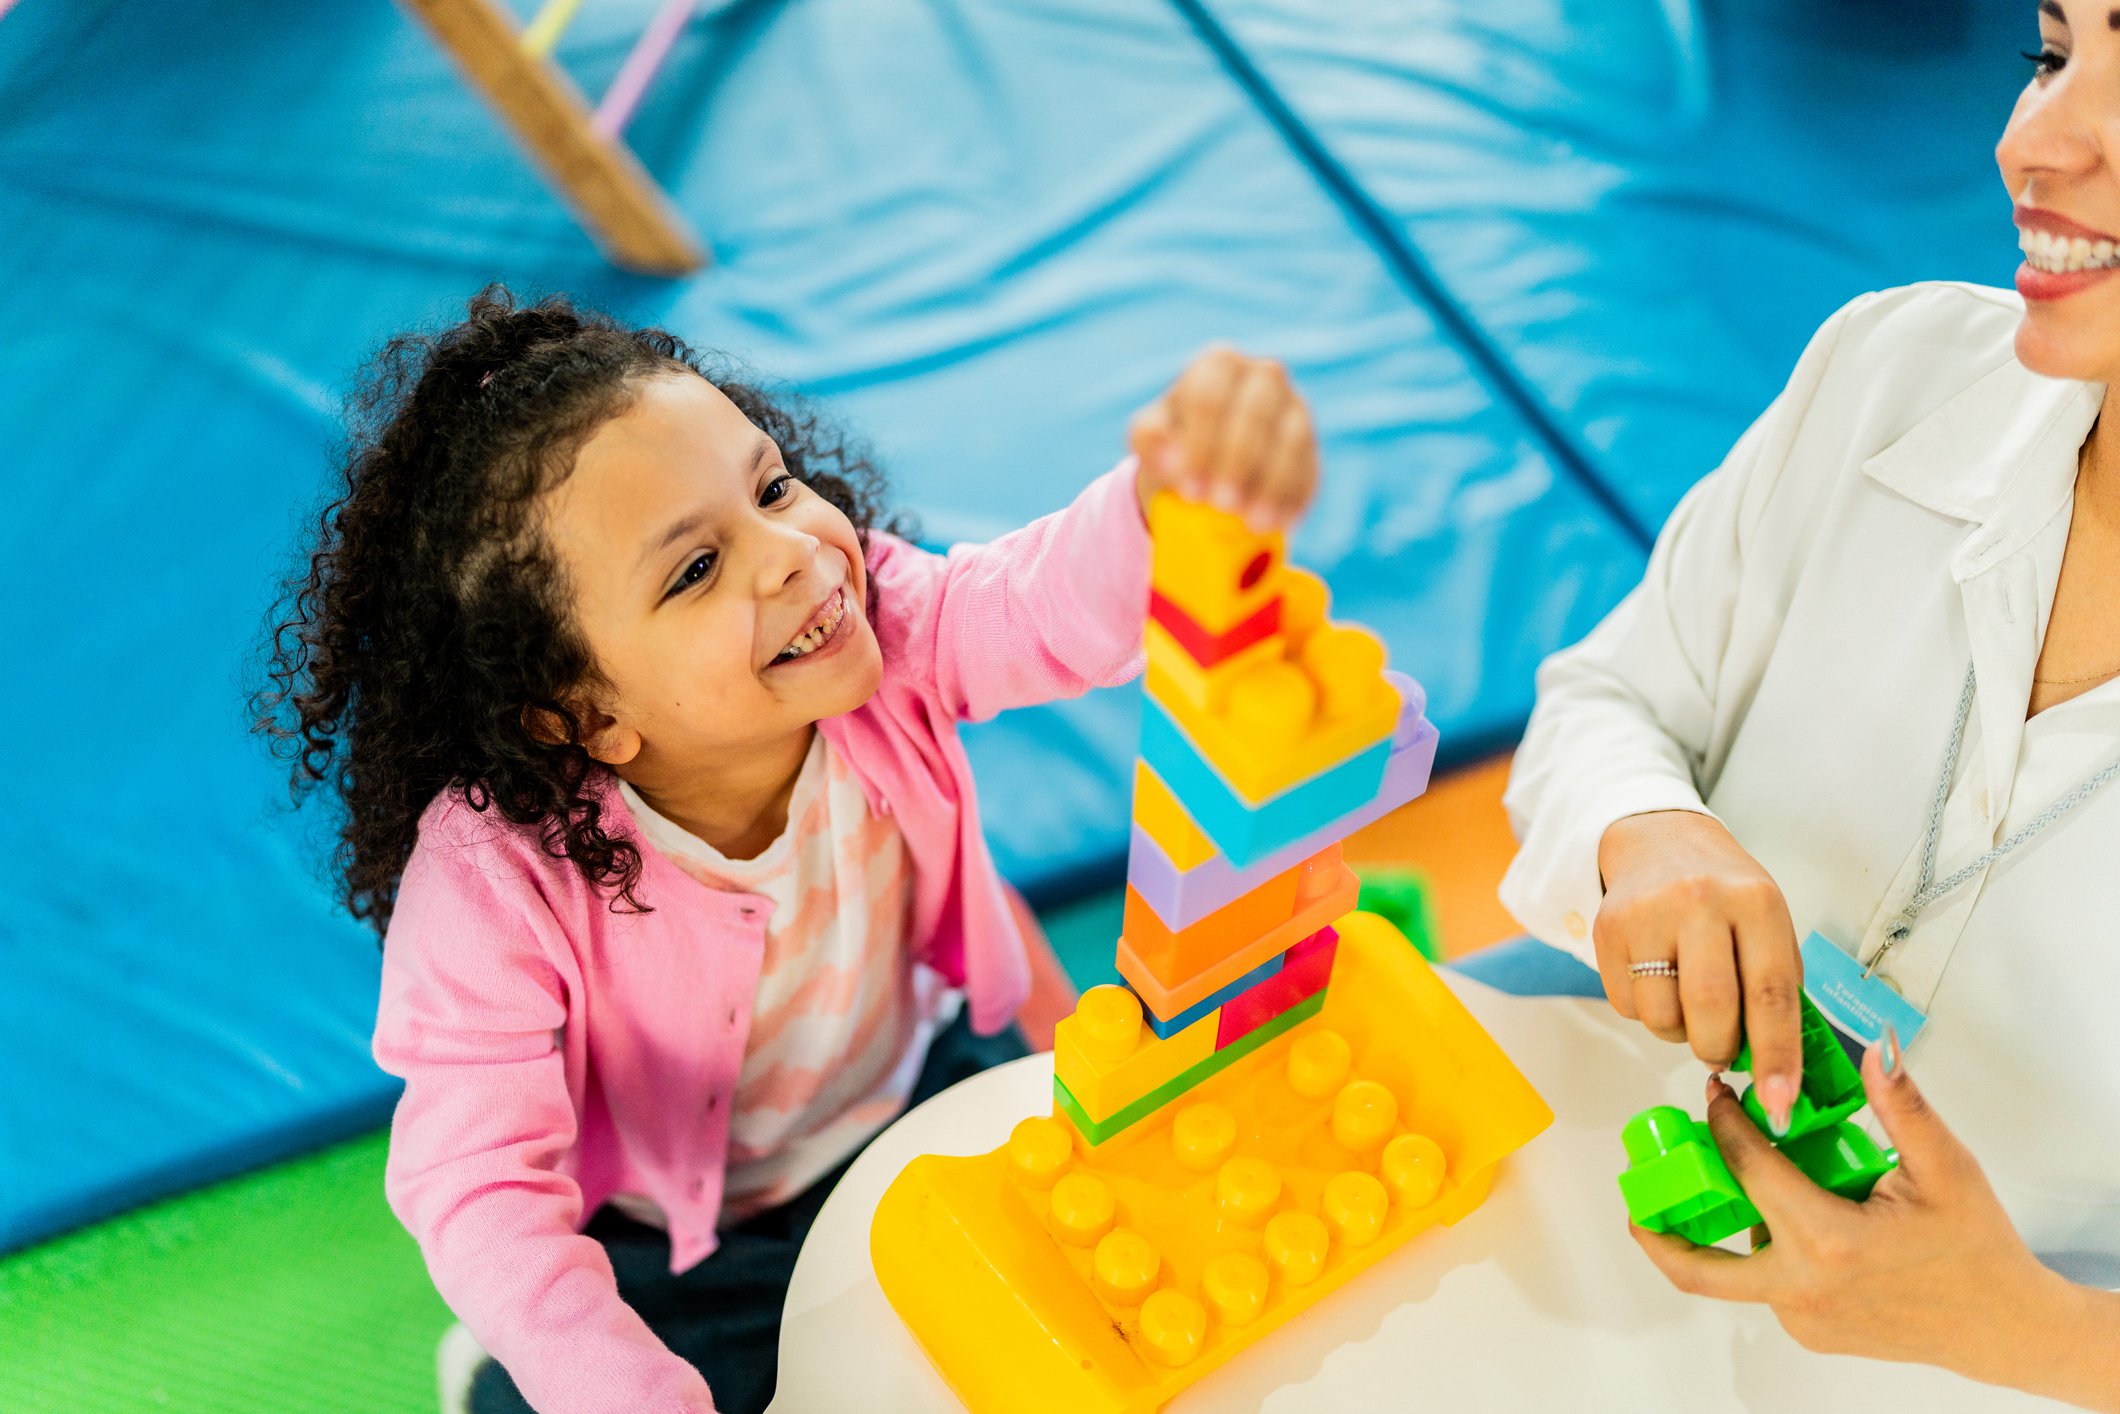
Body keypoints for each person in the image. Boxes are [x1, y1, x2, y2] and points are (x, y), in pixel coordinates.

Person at [254, 287, 1318, 1414]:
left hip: (917, 1090)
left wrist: (1159, 508)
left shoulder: (885, 631)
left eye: (770, 486)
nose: (797, 555)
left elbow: (1032, 604)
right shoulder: (493, 883)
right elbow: (476, 1187)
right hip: (687, 1243)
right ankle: (495, 1376)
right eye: (695, 569)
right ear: (583, 717)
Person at [1500, 5, 2120, 1407]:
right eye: (2052, 50)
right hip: (1606, 1191)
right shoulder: (1886, 371)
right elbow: (1601, 701)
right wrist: (1642, 824)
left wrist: (2026, 1327)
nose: (2030, 140)